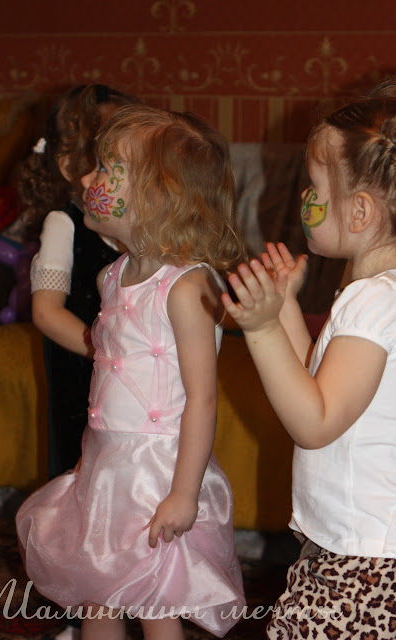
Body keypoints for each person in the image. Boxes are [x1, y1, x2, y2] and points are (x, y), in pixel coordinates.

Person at [16, 104, 246, 639]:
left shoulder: (187, 288)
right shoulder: (112, 276)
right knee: (98, 590)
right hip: (106, 470)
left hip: (158, 474)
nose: (88, 180)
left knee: (154, 598)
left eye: (105, 169)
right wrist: (90, 461)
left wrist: (184, 493)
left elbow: (202, 398)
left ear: (155, 196)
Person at [222, 96, 396, 639]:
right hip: (364, 549)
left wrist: (260, 328)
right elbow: (319, 387)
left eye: (315, 188)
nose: (304, 198)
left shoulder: (374, 301)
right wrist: (285, 309)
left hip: (362, 563)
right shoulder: (376, 295)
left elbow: (314, 423)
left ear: (360, 212)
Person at [17, 84, 134, 478]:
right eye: (107, 161)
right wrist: (103, 351)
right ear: (70, 168)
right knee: (80, 472)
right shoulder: (62, 224)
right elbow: (46, 312)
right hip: (82, 378)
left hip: (130, 378)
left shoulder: (136, 232)